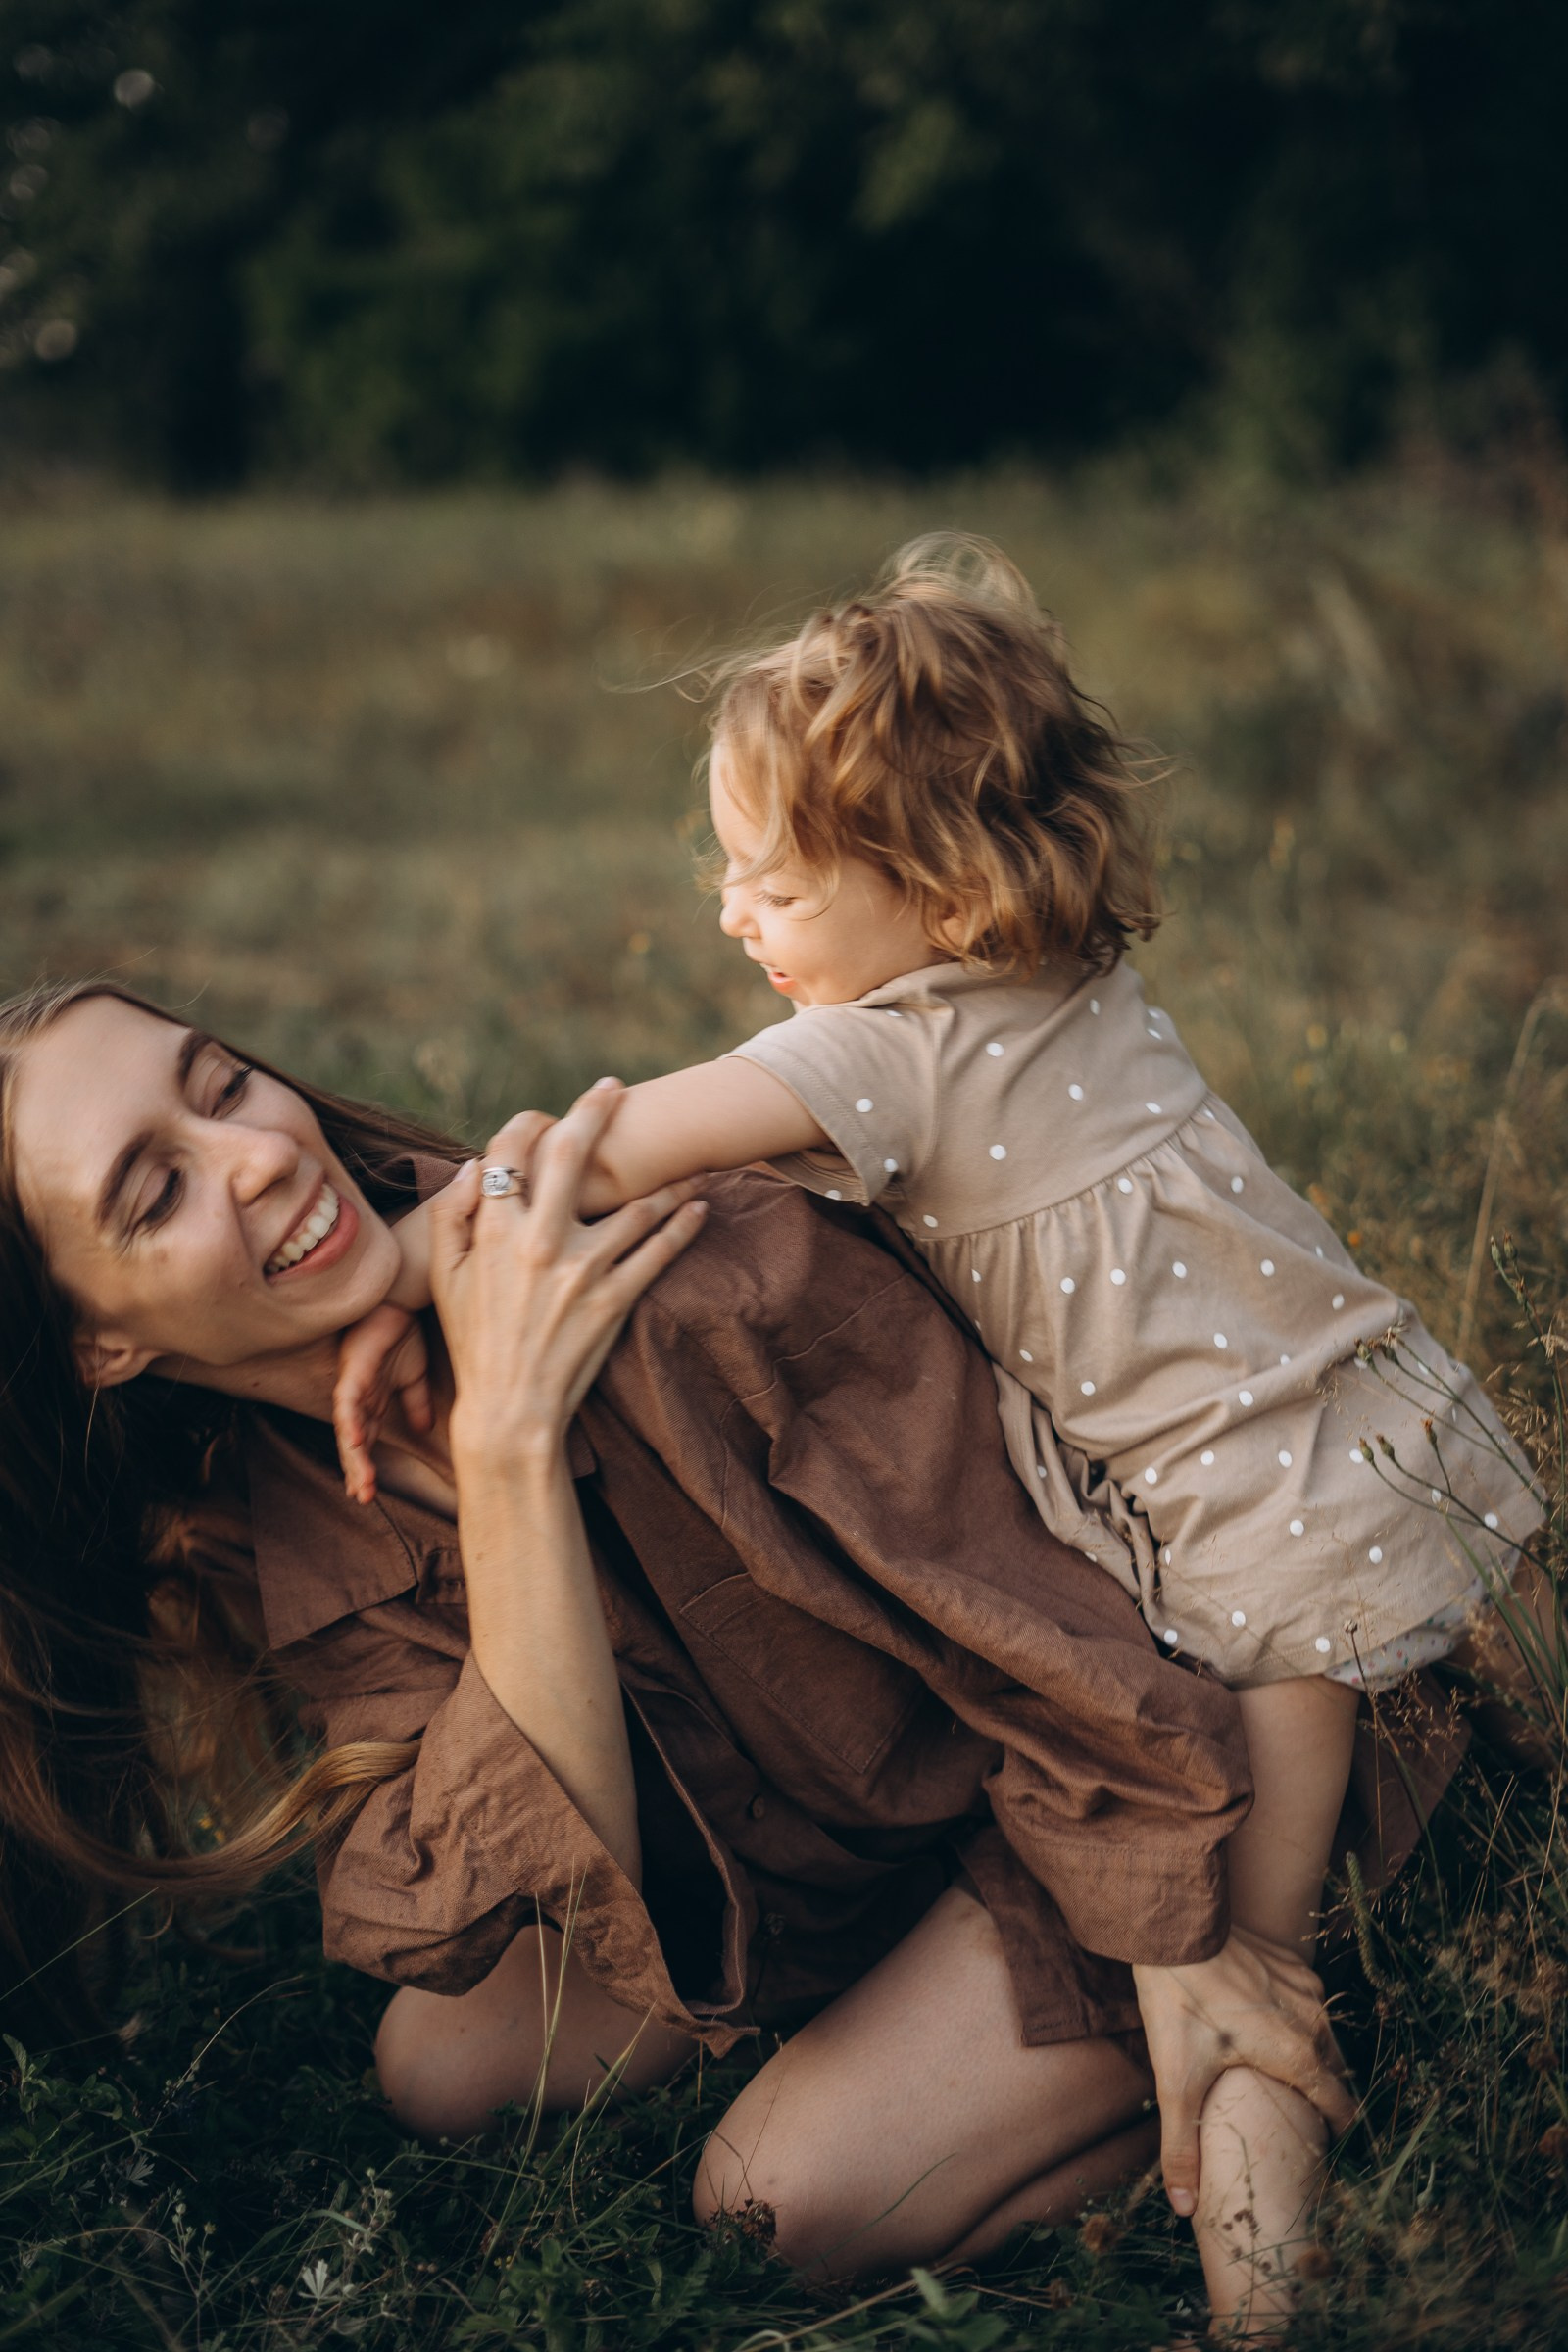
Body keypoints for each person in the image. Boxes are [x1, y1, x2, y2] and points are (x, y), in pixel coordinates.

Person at [337, 535, 1552, 2329]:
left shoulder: (880, 1060)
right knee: (1271, 1942)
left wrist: (399, 1273)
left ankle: (1269, 2311)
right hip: (1388, 1457)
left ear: (937, 887)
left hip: (1272, 1586)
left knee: (1238, 1981)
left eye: (772, 881)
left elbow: (586, 1157)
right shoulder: (1078, 993)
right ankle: (1235, 2114)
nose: (733, 918)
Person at [0, 978, 1404, 2341]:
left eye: (223, 1082)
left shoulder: (681, 1271)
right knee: (446, 2062)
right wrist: (508, 1459)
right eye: (155, 1190)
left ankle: (1235, 2005)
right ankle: (951, 2021)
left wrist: (1167, 1912)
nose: (257, 1154)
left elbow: (1051, 1611)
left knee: (775, 2203)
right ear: (102, 1343)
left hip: (1103, 1730)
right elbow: (548, 1844)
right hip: (849, 1820)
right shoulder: (283, 1506)